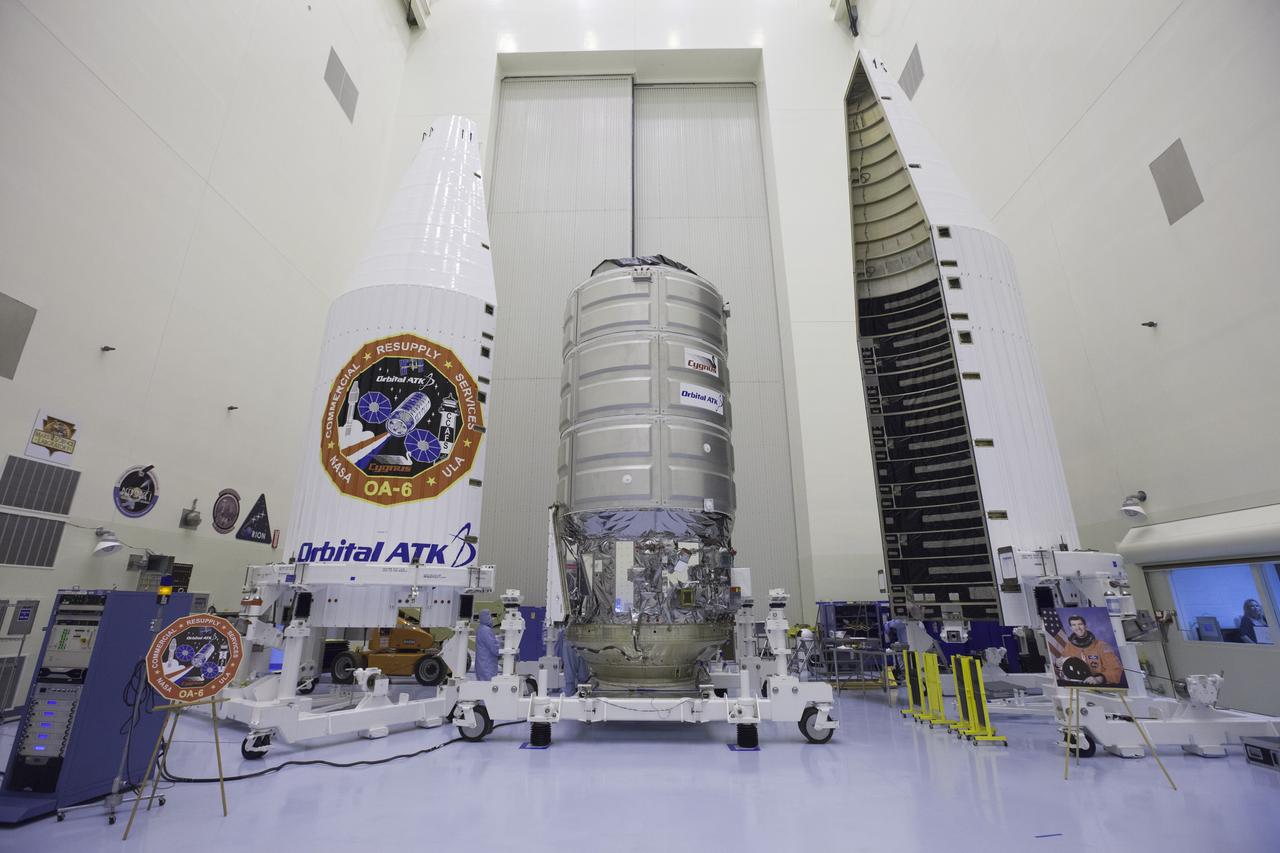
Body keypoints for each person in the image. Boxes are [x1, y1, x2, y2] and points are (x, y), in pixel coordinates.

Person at [1058, 614, 1123, 686]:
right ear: (1071, 628)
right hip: (1078, 685)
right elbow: (1063, 665)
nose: (1078, 628)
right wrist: (1058, 663)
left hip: (1100, 686)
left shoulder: (1101, 645)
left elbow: (1116, 669)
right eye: (1074, 625)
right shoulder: (1069, 646)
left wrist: (1099, 679)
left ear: (1085, 626)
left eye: (1080, 624)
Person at [554, 626, 589, 695]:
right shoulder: (564, 634)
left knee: (580, 676)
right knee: (576, 677)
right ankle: (577, 695)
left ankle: (574, 695)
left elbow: (558, 652)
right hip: (576, 640)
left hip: (579, 640)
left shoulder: (564, 634)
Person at [474, 609, 500, 681]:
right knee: (488, 687)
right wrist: (502, 647)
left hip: (482, 665)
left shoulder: (480, 629)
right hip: (487, 667)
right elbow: (495, 649)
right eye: (490, 616)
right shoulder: (486, 630)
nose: (491, 619)